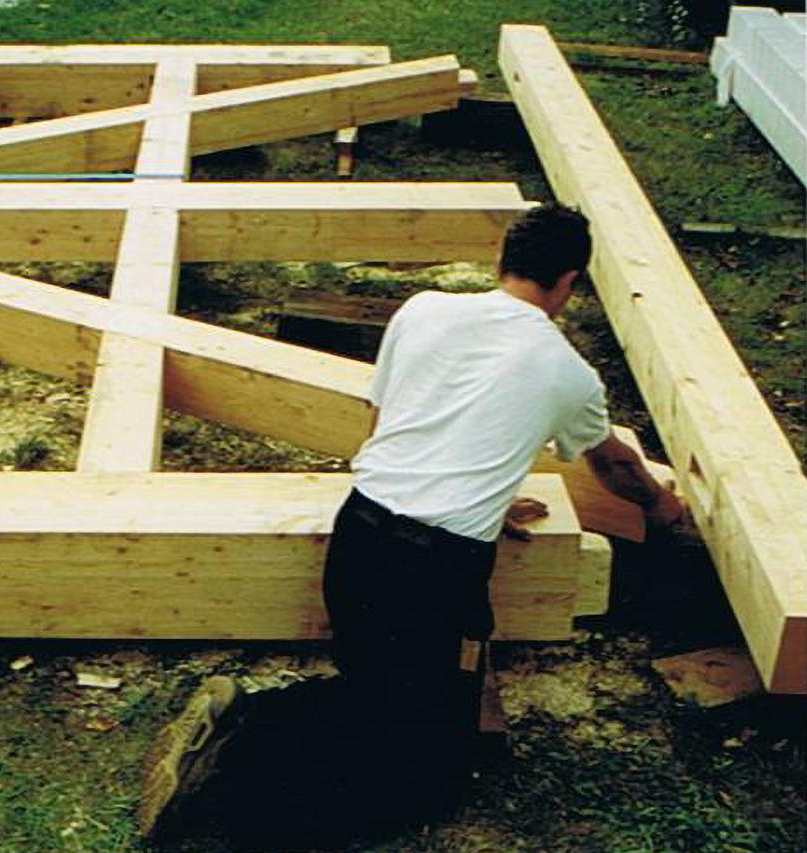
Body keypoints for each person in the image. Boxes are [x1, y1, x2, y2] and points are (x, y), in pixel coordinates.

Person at [137, 203, 684, 848]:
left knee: (374, 687)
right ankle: (235, 764)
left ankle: (244, 722)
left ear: (500, 263)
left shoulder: (423, 309)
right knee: (425, 771)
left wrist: (483, 493)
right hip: (434, 567)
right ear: (568, 283)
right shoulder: (567, 373)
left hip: (360, 532)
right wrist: (660, 506)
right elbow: (614, 465)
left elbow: (386, 427)